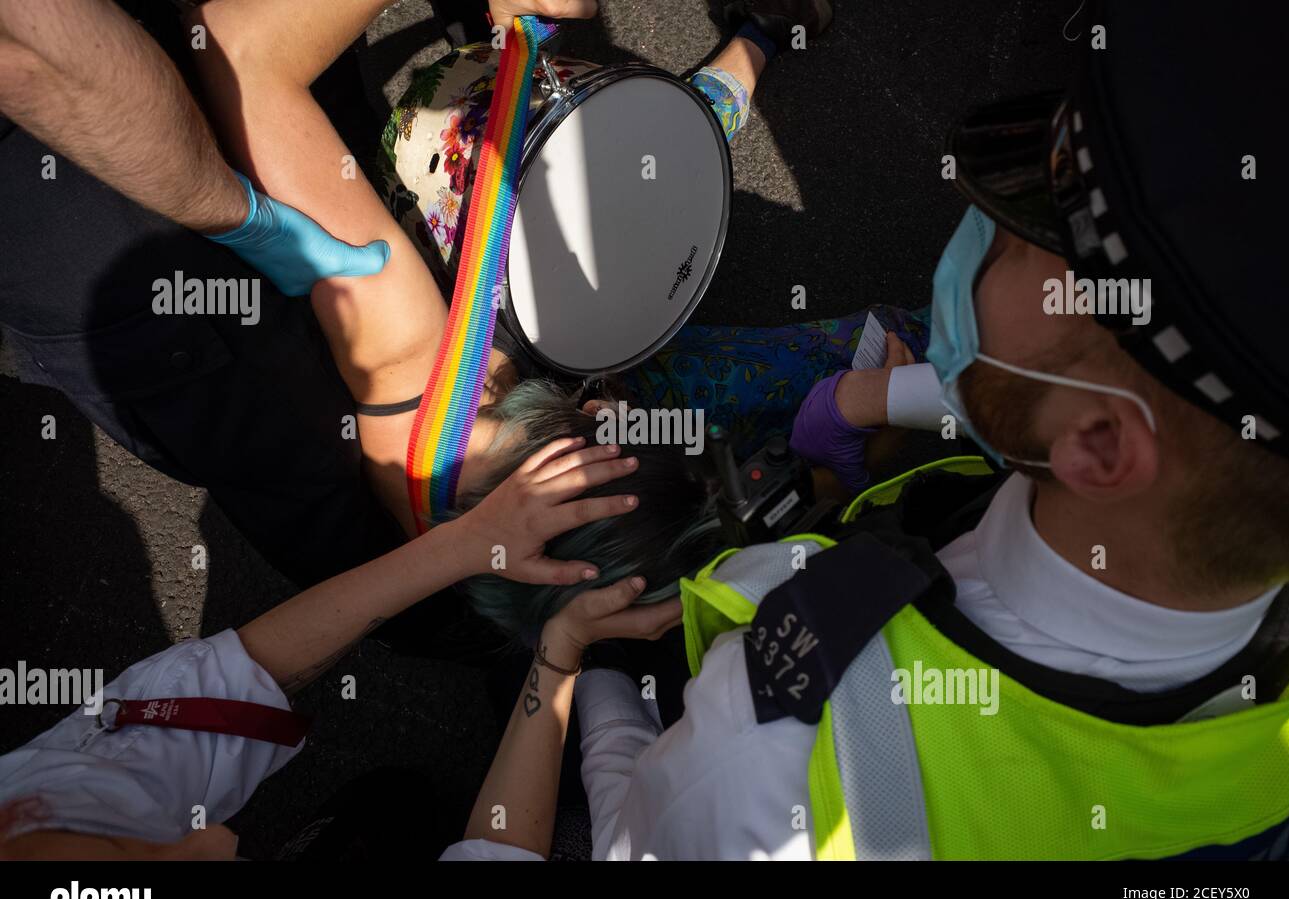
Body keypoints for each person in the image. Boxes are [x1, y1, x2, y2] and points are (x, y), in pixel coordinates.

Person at [443, 0, 1289, 860]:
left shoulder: (771, 755)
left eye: (1027, 239)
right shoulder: (1210, 520)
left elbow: (635, 834)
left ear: (1101, 446)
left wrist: (599, 681)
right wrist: (884, 411)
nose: (984, 234)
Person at [187, 0, 836, 544]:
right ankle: (762, 33)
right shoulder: (472, 518)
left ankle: (761, 33)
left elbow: (238, 56)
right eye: (625, 430)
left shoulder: (411, 374)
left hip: (442, 186)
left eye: (605, 433)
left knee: (664, 155)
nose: (614, 413)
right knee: (846, 345)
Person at [0, 436, 642, 859]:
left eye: (124, 847)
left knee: (382, 816)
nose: (217, 840)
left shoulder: (43, 802)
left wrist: (471, 543)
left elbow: (233, 684)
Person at [0, 0, 395, 588]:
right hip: (91, 178)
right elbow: (31, 49)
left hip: (155, 71)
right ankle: (433, 610)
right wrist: (242, 219)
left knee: (340, 379)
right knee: (302, 457)